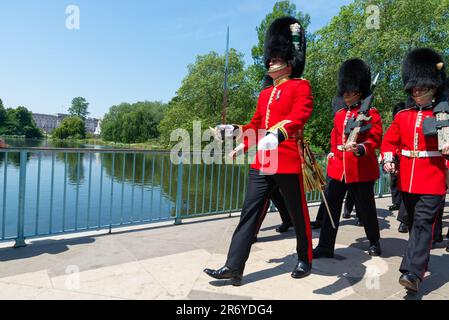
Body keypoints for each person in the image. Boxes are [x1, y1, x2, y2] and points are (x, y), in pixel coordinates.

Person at [203, 17, 314, 286]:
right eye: (270, 58)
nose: (270, 62)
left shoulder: (301, 86)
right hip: (262, 161)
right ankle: (234, 266)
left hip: (286, 158)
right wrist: (234, 130)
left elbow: (299, 116)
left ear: (289, 60)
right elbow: (255, 125)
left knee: (298, 213)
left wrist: (277, 133)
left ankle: (305, 258)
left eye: (276, 58)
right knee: (248, 214)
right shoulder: (265, 94)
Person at [382, 48, 447, 293]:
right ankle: (415, 266)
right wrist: (388, 159)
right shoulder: (403, 116)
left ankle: (413, 273)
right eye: (414, 87)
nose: (417, 90)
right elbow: (389, 141)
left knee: (422, 225)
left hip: (432, 179)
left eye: (421, 86)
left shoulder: (444, 115)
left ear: (432, 86)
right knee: (414, 227)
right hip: (407, 181)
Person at [313, 58, 383, 259]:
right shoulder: (340, 114)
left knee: (366, 208)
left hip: (360, 168)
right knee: (330, 208)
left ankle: (374, 241)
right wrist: (333, 150)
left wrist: (360, 147)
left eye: (349, 92)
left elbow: (375, 138)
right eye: (344, 91)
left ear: (359, 92)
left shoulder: (371, 113)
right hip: (338, 168)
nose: (345, 95)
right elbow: (335, 135)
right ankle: (325, 246)